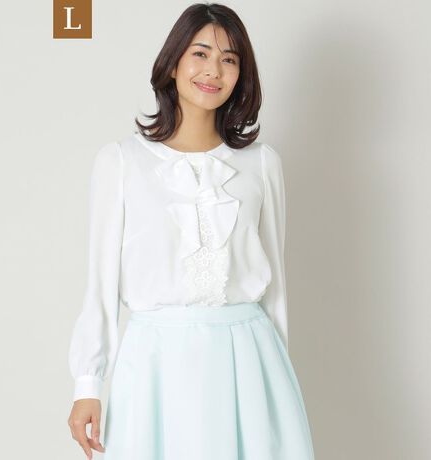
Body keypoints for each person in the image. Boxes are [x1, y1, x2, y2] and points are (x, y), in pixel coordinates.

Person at [67, 3, 315, 459]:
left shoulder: (262, 164)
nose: (213, 71)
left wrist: (279, 380)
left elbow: (276, 288)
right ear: (173, 62)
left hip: (250, 362)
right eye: (200, 53)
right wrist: (88, 384)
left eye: (229, 59)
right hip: (155, 364)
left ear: (241, 74)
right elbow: (100, 286)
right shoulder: (120, 162)